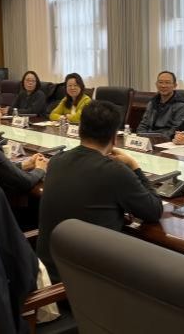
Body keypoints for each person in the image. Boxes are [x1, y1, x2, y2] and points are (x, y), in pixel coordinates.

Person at [37, 100, 163, 281]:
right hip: (90, 281)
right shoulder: (115, 171)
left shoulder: (56, 161)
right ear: (114, 138)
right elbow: (154, 210)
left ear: (80, 130)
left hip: (48, 272)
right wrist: (134, 166)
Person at [137, 71, 184, 138]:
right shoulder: (152, 103)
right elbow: (143, 125)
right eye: (160, 82)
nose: (163, 86)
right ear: (156, 84)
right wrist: (141, 137)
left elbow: (175, 130)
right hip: (148, 139)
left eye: (167, 83)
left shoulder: (182, 106)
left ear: (175, 86)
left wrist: (154, 138)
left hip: (167, 140)